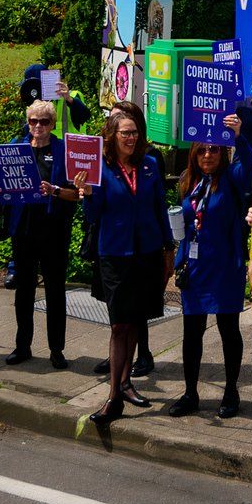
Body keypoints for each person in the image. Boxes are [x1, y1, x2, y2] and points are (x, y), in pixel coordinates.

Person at [74, 106, 173, 429]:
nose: (131, 138)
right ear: (112, 136)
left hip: (146, 253)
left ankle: (126, 382)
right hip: (115, 255)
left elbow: (160, 207)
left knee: (135, 321)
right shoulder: (100, 169)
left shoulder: (148, 166)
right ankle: (114, 395)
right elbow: (93, 217)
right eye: (124, 133)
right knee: (119, 325)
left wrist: (169, 249)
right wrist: (88, 194)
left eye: (134, 132)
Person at [165, 140, 250, 417]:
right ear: (193, 154)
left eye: (214, 149)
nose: (208, 155)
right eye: (201, 150)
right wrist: (178, 260)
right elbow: (185, 224)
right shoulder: (188, 181)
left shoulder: (232, 177)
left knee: (228, 330)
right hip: (196, 267)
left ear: (223, 153)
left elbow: (250, 166)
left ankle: (231, 391)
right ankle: (190, 393)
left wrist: (240, 136)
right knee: (192, 332)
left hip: (225, 265)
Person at [3, 101, 79, 368]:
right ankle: (22, 345)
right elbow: (6, 184)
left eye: (44, 122)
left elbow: (76, 194)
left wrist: (55, 190)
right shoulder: (16, 147)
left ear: (52, 123)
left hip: (53, 229)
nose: (38, 127)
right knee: (23, 291)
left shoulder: (63, 150)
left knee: (55, 291)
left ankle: (56, 349)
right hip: (23, 229)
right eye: (33, 121)